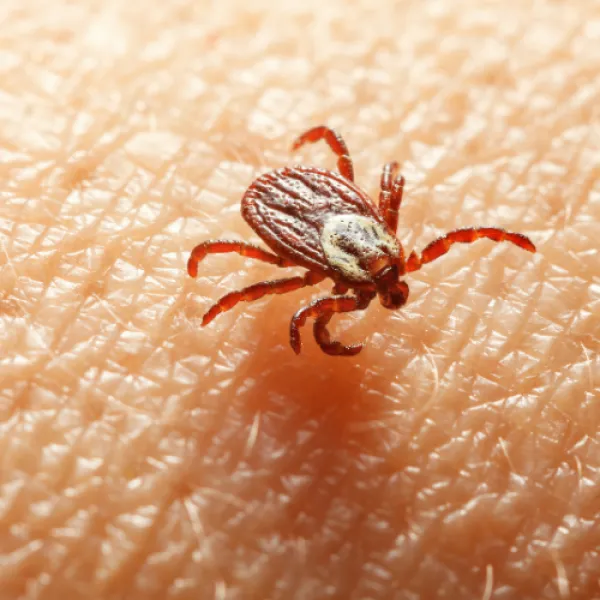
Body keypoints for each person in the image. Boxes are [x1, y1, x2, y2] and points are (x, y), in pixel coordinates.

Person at [1, 1, 597, 598]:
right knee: (274, 283)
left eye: (386, 276)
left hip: (302, 214)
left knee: (283, 280)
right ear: (386, 225)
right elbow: (311, 314)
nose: (389, 283)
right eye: (384, 279)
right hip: (295, 223)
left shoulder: (371, 257)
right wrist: (314, 334)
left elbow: (353, 232)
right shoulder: (342, 276)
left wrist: (324, 323)